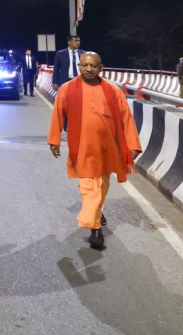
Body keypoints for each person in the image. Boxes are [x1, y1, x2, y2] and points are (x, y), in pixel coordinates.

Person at [48, 52, 142, 248]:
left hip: (108, 147)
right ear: (79, 67)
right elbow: (58, 114)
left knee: (103, 183)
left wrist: (133, 144)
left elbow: (126, 118)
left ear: (101, 68)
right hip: (82, 147)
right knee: (89, 185)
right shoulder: (67, 89)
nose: (88, 69)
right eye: (84, 65)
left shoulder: (112, 90)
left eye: (93, 66)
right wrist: (54, 139)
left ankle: (96, 212)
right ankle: (95, 228)